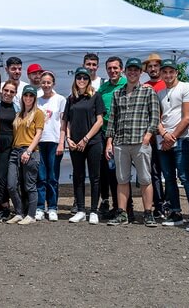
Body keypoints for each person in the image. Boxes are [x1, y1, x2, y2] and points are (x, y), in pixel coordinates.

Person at [106, 58, 160, 227]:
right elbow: (112, 120)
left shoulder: (148, 91)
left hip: (140, 142)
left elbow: (155, 116)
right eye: (130, 69)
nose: (133, 72)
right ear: (125, 71)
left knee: (145, 179)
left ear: (140, 72)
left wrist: (147, 136)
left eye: (136, 70)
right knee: (122, 180)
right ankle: (122, 214)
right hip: (121, 142)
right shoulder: (117, 93)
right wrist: (109, 142)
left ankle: (148, 213)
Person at [155, 59, 189, 231]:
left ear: (176, 72)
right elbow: (157, 118)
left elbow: (187, 117)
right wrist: (164, 135)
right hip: (164, 141)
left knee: (185, 177)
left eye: (171, 72)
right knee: (169, 178)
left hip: (180, 140)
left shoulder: (186, 88)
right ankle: (176, 212)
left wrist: (172, 137)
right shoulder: (159, 93)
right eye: (165, 72)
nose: (168, 75)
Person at [63, 68, 104, 224]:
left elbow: (99, 121)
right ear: (75, 80)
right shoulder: (71, 99)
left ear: (89, 80)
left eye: (85, 78)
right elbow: (67, 121)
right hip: (74, 143)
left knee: (95, 177)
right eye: (79, 77)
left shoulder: (96, 96)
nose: (81, 80)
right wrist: (68, 138)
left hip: (93, 142)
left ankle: (93, 210)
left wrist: (86, 138)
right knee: (78, 176)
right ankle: (80, 210)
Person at [6, 85, 44, 225]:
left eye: (31, 96)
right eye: (26, 95)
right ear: (22, 97)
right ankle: (19, 212)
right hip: (15, 151)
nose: (28, 98)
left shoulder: (38, 113)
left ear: (34, 98)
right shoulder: (19, 114)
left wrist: (28, 151)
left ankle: (31, 215)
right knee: (11, 185)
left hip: (30, 152)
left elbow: (38, 134)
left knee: (29, 186)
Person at [97, 56, 129, 219]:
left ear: (121, 69)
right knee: (108, 171)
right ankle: (115, 205)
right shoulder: (103, 88)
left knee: (121, 172)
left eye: (115, 68)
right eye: (109, 68)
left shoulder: (128, 84)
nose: (112, 71)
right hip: (104, 133)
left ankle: (125, 208)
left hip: (123, 133)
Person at [35, 71, 66, 222]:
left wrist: (62, 142)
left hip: (54, 142)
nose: (46, 85)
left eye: (49, 82)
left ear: (53, 84)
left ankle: (52, 207)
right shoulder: (36, 100)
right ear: (40, 83)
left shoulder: (60, 99)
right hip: (39, 142)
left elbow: (63, 123)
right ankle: (40, 207)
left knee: (52, 177)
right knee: (40, 177)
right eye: (43, 82)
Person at [0, 80, 19, 222]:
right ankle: (5, 205)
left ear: (15, 94)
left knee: (2, 176)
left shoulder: (18, 108)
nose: (8, 93)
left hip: (10, 145)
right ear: (2, 91)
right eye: (6, 90)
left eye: (11, 91)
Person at [142, 53, 166, 218]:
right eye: (149, 66)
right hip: (152, 136)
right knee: (154, 172)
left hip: (168, 135)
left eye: (155, 66)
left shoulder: (167, 84)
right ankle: (158, 206)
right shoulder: (144, 86)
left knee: (170, 173)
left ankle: (171, 206)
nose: (152, 69)